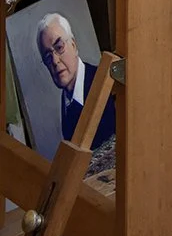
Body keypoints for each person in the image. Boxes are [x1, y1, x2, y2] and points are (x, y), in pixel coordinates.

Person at [36, 12, 116, 149]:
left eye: (59, 47)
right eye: (48, 57)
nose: (55, 61)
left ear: (73, 45)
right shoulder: (66, 102)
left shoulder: (106, 83)